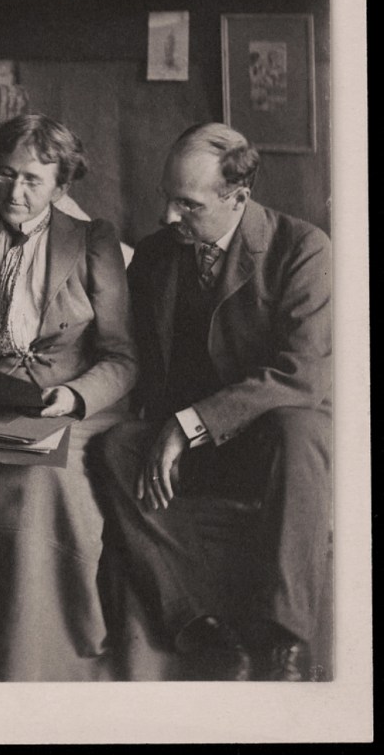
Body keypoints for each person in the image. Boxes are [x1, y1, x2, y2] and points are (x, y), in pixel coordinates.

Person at [97, 123, 332, 682]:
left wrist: (189, 425)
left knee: (302, 431)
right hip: (192, 447)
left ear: (238, 198)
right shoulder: (155, 255)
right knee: (115, 447)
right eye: (167, 198)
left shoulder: (302, 249)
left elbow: (301, 375)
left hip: (269, 445)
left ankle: (285, 641)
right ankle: (200, 625)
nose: (167, 216)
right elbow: (132, 358)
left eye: (188, 205)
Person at [0, 114, 138, 681]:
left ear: (61, 186)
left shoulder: (92, 241)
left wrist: (74, 396)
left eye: (33, 180)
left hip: (71, 405)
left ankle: (36, 657)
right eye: (5, 174)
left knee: (40, 477)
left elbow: (122, 358)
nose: (15, 192)